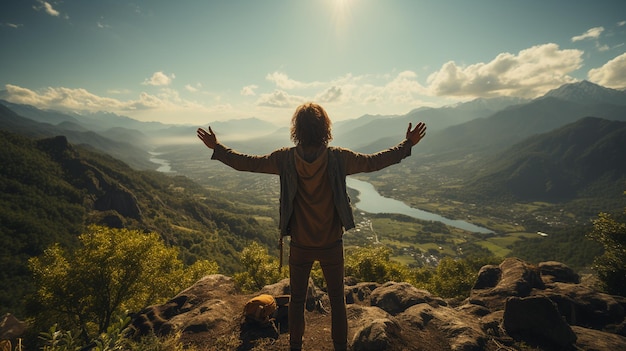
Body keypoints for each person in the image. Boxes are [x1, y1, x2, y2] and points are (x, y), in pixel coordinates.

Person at [197, 102, 426, 351]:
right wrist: (407, 145)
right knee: (337, 301)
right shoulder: (339, 158)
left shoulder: (285, 158)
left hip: (300, 245)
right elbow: (375, 162)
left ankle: (296, 347)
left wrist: (218, 148)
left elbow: (247, 163)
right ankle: (340, 348)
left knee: (296, 302)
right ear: (325, 127)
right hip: (331, 244)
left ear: (297, 128)